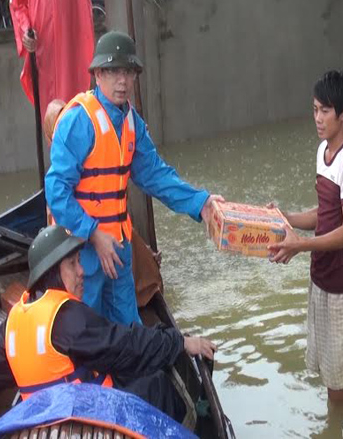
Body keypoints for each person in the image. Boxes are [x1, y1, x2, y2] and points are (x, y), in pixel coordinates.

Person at [0, 225, 216, 424]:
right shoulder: (68, 317)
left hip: (42, 423)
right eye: (73, 263)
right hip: (83, 421)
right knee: (157, 385)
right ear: (53, 272)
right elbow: (129, 346)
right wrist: (179, 342)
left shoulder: (13, 323)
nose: (82, 271)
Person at [45, 30, 223, 325]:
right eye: (114, 71)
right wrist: (93, 233)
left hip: (117, 246)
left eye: (128, 72)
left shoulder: (131, 122)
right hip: (81, 251)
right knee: (85, 329)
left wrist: (200, 203)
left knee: (129, 328)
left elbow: (155, 174)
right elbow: (56, 192)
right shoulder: (79, 121)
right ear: (98, 74)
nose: (123, 81)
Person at [268, 71, 343, 426]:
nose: (317, 118)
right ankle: (333, 427)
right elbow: (324, 214)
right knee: (332, 370)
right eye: (314, 109)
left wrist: (300, 246)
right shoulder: (323, 152)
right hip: (321, 276)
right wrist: (288, 218)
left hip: (341, 280)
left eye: (325, 110)